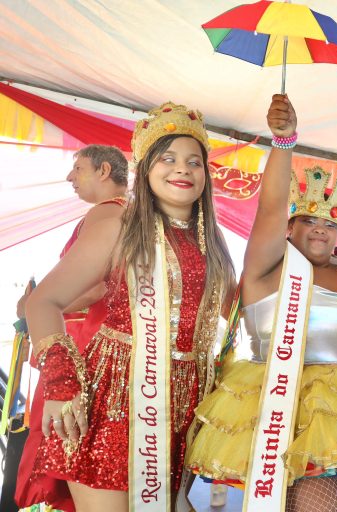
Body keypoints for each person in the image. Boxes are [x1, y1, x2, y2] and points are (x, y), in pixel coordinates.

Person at [186, 95, 337, 512]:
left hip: (330, 411)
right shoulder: (267, 267)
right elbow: (270, 206)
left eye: (331, 224)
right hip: (265, 399)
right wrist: (284, 142)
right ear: (289, 227)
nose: (321, 230)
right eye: (309, 220)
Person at [23, 102, 236, 511]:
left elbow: (238, 312)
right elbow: (43, 301)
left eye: (194, 162)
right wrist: (61, 383)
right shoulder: (118, 223)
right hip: (114, 398)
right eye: (168, 158)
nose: (183, 169)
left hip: (184, 406)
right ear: (146, 168)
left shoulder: (212, 241)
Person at [16, 144, 129, 511]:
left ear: (105, 171)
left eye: (78, 169)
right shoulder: (131, 214)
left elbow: (98, 286)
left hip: (80, 346)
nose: (70, 178)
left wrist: (41, 306)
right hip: (106, 351)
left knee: (69, 452)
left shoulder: (105, 213)